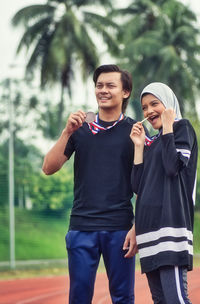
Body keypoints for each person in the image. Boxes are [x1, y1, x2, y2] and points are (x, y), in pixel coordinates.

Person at [42, 64, 139, 303]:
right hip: (82, 227)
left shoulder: (134, 131)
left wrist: (137, 227)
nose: (103, 90)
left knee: (123, 297)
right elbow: (48, 168)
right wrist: (66, 132)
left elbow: (144, 184)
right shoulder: (80, 128)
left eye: (110, 85)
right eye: (99, 85)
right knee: (79, 297)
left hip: (120, 229)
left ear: (125, 92)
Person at [130, 82, 198, 304]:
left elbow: (172, 167)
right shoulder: (154, 142)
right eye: (144, 107)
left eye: (154, 104)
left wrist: (168, 128)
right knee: (160, 301)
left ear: (168, 104)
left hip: (171, 228)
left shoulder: (182, 128)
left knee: (176, 299)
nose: (149, 111)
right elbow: (137, 186)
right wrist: (139, 146)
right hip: (148, 231)